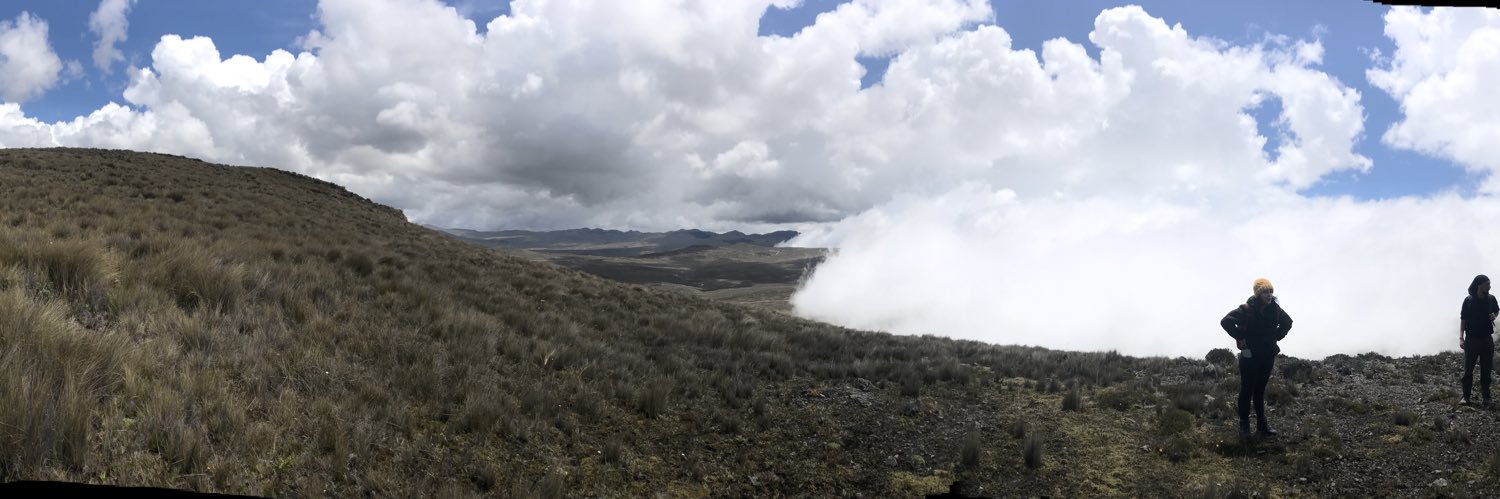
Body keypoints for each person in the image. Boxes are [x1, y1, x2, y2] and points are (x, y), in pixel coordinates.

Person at [1220, 278, 1293, 440]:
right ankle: (1244, 426)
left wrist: (1276, 337)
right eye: (1265, 292)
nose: (1269, 295)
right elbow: (1225, 321)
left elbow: (1288, 322)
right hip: (1249, 356)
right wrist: (1240, 336)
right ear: (1258, 294)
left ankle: (1262, 425)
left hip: (1267, 356)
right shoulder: (1246, 309)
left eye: (1271, 292)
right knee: (1246, 390)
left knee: (1259, 390)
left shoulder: (1275, 309)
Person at [1460, 274, 1499, 407]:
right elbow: (1463, 319)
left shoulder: (1491, 299)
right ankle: (1465, 397)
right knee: (1468, 371)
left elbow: (1496, 311)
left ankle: (1487, 398)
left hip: (1487, 340)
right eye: (1487, 284)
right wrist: (1461, 337)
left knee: (1486, 371)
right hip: (1471, 340)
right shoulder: (1469, 301)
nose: (1489, 286)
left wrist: (1494, 315)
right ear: (1479, 285)